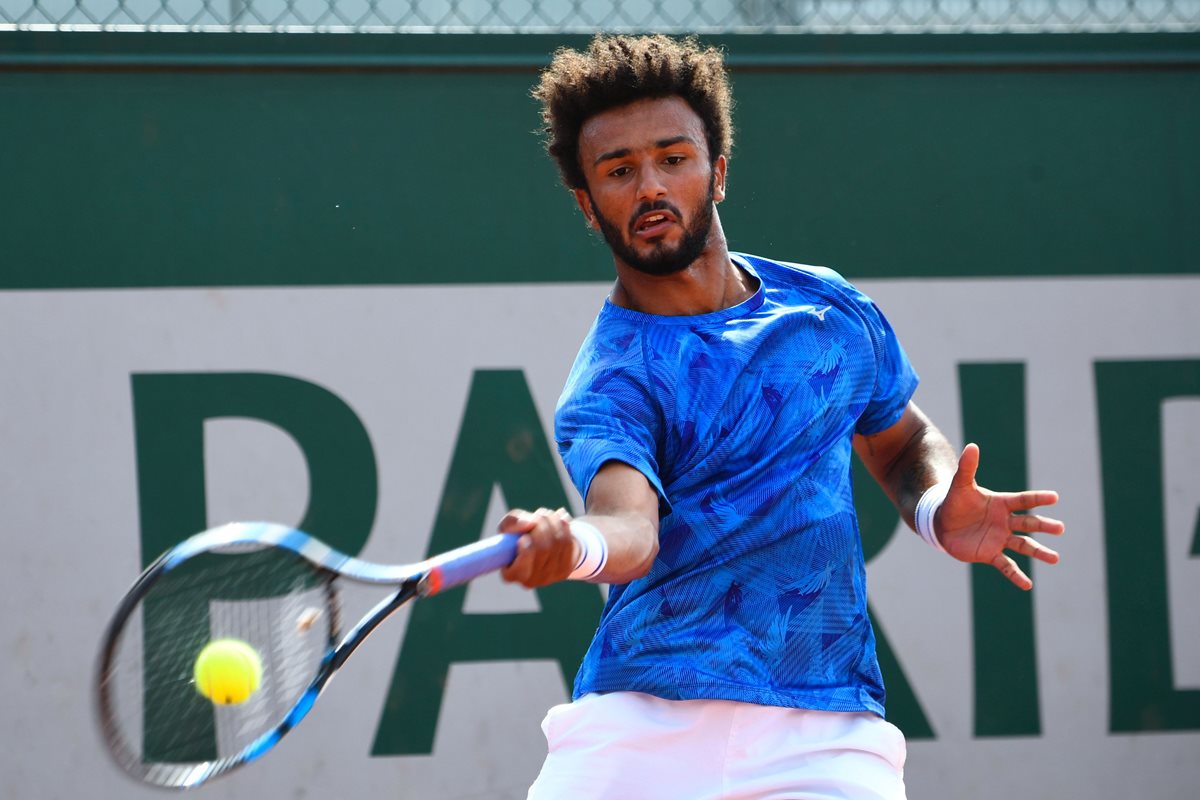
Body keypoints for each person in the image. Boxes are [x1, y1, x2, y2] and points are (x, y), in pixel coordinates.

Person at [497, 34, 1064, 800]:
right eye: (619, 171)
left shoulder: (828, 310)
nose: (651, 187)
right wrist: (577, 546)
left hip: (825, 734)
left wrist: (933, 505)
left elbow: (899, 443)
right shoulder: (610, 381)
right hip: (643, 726)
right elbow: (629, 528)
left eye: (674, 158)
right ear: (587, 205)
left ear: (718, 170)